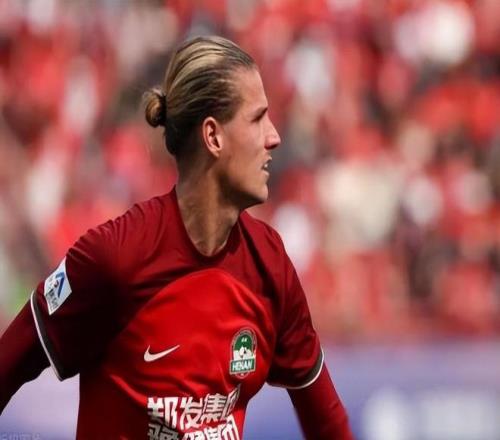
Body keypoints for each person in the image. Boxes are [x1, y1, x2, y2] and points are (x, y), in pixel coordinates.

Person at [0, 36, 352, 439]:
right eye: (257, 119)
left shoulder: (270, 264)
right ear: (213, 137)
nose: (273, 137)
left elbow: (329, 425)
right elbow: (9, 363)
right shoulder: (116, 257)